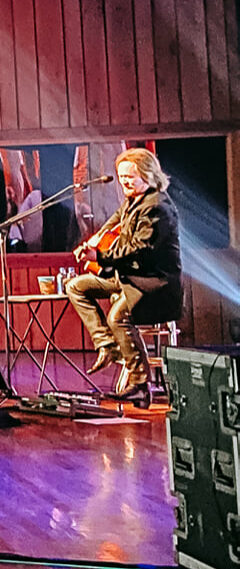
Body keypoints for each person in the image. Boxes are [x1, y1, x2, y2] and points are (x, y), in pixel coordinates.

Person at [68, 146, 183, 401]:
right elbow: (116, 219)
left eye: (130, 177)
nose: (124, 183)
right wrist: (95, 240)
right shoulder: (134, 201)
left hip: (154, 285)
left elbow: (138, 251)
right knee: (76, 286)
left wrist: (98, 256)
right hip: (129, 278)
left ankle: (141, 385)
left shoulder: (156, 207)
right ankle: (106, 346)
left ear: (148, 175)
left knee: (118, 316)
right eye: (121, 177)